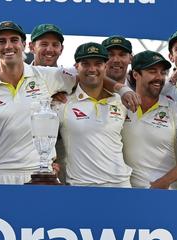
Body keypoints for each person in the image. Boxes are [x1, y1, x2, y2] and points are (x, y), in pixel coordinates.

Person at [0, 21, 77, 184]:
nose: (8, 46)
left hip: (42, 174)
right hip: (2, 174)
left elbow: (89, 74)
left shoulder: (46, 76)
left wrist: (121, 89)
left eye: (14, 40)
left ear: (23, 45)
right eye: (1, 41)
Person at [122, 51, 177, 189]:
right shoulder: (119, 107)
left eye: (162, 72)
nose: (159, 77)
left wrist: (163, 182)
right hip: (126, 196)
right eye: (152, 71)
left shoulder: (176, 110)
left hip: (166, 197)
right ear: (136, 74)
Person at [56, 42, 131, 187]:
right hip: (81, 186)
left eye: (98, 63)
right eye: (85, 64)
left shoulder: (121, 102)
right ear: (76, 67)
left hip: (121, 185)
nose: (92, 69)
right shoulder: (62, 103)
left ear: (105, 66)